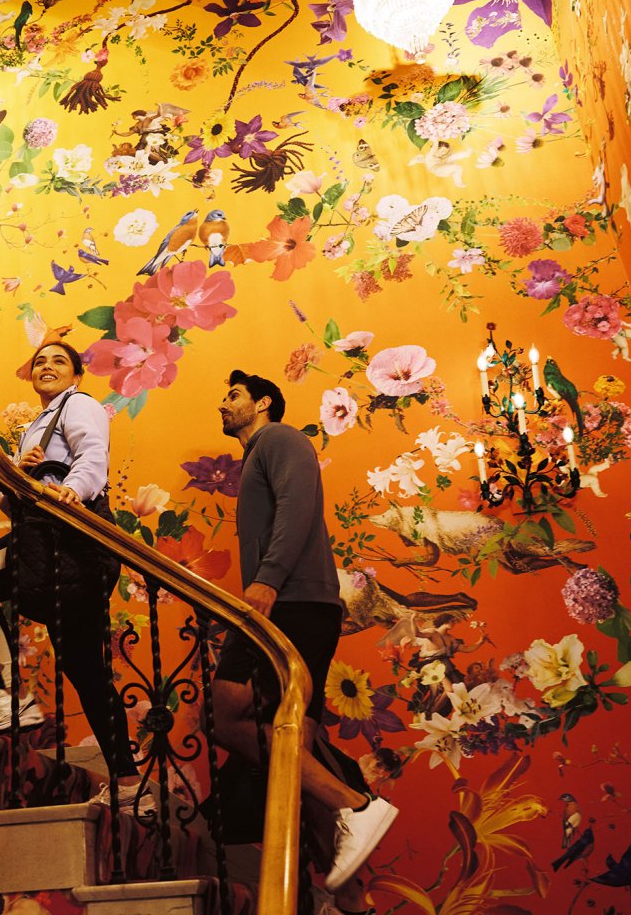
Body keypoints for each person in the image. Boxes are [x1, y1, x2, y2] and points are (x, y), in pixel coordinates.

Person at [211, 369, 398, 901]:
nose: (222, 404)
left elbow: (298, 507)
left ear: (263, 403)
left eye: (233, 395)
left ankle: (355, 805)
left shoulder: (279, 438)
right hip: (304, 604)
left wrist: (267, 580)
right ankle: (345, 897)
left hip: (291, 601)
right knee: (296, 745)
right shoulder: (260, 454)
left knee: (226, 713)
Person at [0, 342, 153, 813]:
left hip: (64, 539)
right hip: (50, 544)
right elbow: (16, 501)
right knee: (85, 669)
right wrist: (18, 476)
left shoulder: (79, 404)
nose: (46, 366)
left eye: (59, 361)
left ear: (76, 376)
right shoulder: (37, 426)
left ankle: (9, 691)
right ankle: (130, 783)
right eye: (40, 361)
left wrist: (71, 491)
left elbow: (92, 457)